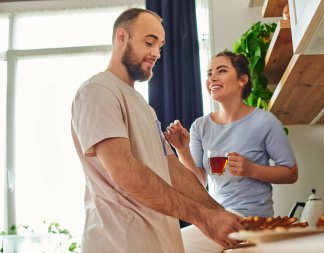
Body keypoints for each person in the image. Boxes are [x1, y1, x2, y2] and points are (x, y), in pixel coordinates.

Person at [71, 8, 243, 253]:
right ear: (122, 38)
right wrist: (204, 219)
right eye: (150, 42)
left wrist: (218, 213)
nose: (157, 53)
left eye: (160, 46)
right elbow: (124, 171)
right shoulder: (98, 91)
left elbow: (171, 168)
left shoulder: (145, 107)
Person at [164, 51, 298, 252]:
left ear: (242, 80)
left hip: (253, 220)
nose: (212, 78)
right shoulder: (200, 126)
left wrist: (252, 169)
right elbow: (199, 182)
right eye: (209, 73)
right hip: (217, 218)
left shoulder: (264, 121)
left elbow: (291, 172)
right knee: (168, 243)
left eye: (222, 71)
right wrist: (182, 150)